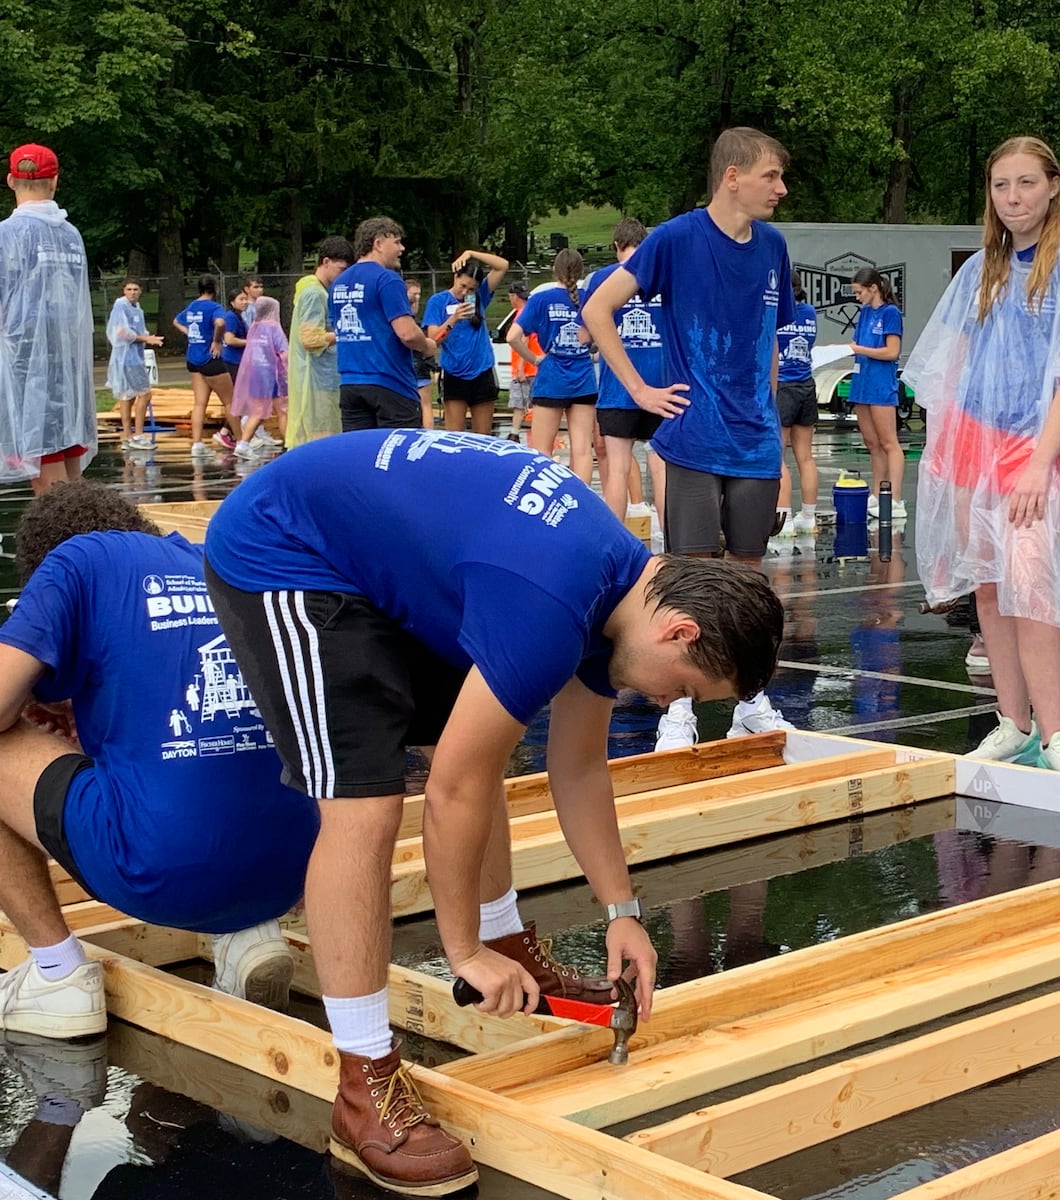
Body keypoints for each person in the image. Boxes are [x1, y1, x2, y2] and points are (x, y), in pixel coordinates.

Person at [203, 428, 785, 1195]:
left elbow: (577, 768)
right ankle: (362, 1082)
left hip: (369, 555)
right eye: (683, 688)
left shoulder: (616, 593)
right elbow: (449, 791)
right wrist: (461, 950)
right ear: (680, 629)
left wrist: (622, 911)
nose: (666, 701)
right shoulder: (552, 601)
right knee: (367, 802)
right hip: (284, 554)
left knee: (485, 738)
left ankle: (511, 941)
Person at [0, 481, 319, 1042]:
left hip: (161, 869)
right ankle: (246, 932)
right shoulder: (212, 561)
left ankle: (58, 977)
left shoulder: (75, 561)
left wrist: (28, 705)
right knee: (216, 753)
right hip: (294, 870)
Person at [905, 135, 1060, 775]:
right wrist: (947, 455)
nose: (1013, 198)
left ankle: (1058, 734)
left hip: (1036, 449)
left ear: (1054, 185)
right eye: (1002, 185)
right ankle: (1014, 722)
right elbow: (948, 365)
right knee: (989, 586)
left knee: (1032, 588)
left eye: (1027, 183)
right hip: (974, 444)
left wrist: (1040, 459)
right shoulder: (983, 266)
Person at [583, 127, 800, 751]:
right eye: (771, 177)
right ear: (732, 176)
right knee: (691, 576)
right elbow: (599, 310)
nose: (780, 189)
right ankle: (676, 710)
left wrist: (772, 426)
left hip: (755, 440)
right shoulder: (675, 239)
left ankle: (751, 701)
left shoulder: (774, 247)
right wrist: (640, 392)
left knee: (752, 581)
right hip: (694, 436)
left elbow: (769, 343)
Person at [0, 144, 97, 495]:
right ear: (54, 181)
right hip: (67, 370)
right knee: (70, 472)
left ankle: (64, 545)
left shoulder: (7, 236)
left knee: (47, 479)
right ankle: (83, 538)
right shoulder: (70, 235)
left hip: (26, 371)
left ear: (11, 180)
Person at [584, 218, 667, 520]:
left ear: (617, 246)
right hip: (662, 386)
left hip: (617, 388)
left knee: (617, 470)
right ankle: (668, 540)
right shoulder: (663, 276)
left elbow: (586, 334)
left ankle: (617, 545)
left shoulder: (601, 279)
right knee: (661, 467)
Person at [332, 216, 437, 431]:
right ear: (378, 244)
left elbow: (338, 329)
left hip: (350, 382)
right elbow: (407, 333)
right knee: (398, 456)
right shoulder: (387, 279)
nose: (402, 248)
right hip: (389, 382)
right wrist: (427, 346)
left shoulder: (338, 283)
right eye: (396, 242)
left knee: (361, 456)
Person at [511, 248, 596, 478]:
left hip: (552, 378)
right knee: (582, 451)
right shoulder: (589, 297)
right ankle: (582, 502)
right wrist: (593, 355)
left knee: (542, 452)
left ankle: (547, 504)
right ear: (580, 271)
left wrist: (535, 359)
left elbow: (512, 337)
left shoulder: (541, 299)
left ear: (553, 271)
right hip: (584, 379)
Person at [425, 249, 509, 435]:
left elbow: (502, 266)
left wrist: (471, 254)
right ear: (455, 276)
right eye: (463, 286)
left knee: (483, 438)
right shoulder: (438, 301)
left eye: (471, 289)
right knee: (455, 437)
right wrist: (453, 319)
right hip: (454, 374)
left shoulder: (479, 297)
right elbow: (433, 340)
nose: (465, 292)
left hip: (482, 372)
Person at [849, 266, 906, 519]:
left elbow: (892, 351)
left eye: (860, 291)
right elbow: (858, 346)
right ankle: (877, 493)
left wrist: (860, 349)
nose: (857, 296)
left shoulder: (890, 313)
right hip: (862, 383)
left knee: (888, 442)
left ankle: (895, 499)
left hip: (881, 384)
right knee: (872, 443)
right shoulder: (863, 314)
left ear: (874, 288)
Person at [285, 235, 352, 448]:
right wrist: (343, 333)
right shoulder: (314, 293)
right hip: (315, 379)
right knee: (321, 434)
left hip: (323, 376)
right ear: (325, 262)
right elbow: (310, 338)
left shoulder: (319, 291)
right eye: (341, 270)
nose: (343, 276)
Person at [775, 268, 820, 537]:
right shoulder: (810, 312)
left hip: (783, 385)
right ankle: (808, 516)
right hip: (806, 384)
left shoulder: (780, 314)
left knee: (778, 457)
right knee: (805, 456)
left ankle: (785, 517)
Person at [174, 277, 239, 458]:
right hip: (210, 359)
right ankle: (242, 442)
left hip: (193, 358)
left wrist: (190, 333)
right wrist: (217, 341)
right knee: (230, 402)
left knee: (199, 403)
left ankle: (197, 443)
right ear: (215, 288)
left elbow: (176, 321)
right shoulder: (215, 307)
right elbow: (220, 323)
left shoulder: (192, 306)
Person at [106, 279, 163, 451]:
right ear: (123, 290)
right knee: (144, 393)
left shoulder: (137, 308)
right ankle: (137, 434)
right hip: (127, 357)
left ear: (140, 291)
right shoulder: (121, 306)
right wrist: (145, 338)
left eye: (135, 289)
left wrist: (148, 337)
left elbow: (139, 330)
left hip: (134, 355)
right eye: (129, 289)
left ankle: (128, 436)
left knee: (128, 395)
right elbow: (122, 332)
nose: (132, 292)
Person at [231, 297, 289, 459]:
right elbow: (284, 353)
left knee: (257, 412)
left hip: (256, 375)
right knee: (283, 411)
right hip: (274, 375)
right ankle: (290, 446)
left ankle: (243, 443)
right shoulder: (274, 328)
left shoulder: (254, 328)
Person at [499, 282, 537, 443]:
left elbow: (524, 339)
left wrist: (520, 367)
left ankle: (515, 434)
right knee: (530, 403)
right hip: (534, 366)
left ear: (513, 297)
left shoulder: (521, 314)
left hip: (527, 368)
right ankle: (524, 433)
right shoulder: (531, 311)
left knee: (519, 403)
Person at [404, 278, 436, 430]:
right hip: (414, 368)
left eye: (419, 295)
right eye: (413, 295)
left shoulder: (416, 322)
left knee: (425, 406)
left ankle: (427, 434)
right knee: (425, 406)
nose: (417, 299)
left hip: (415, 369)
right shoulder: (410, 322)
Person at [221, 287, 250, 381]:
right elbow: (229, 340)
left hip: (238, 360)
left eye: (246, 299)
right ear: (232, 302)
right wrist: (250, 342)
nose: (245, 302)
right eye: (241, 299)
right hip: (232, 361)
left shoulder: (238, 316)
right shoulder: (231, 317)